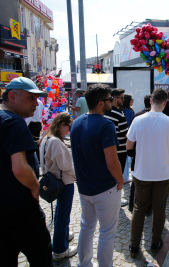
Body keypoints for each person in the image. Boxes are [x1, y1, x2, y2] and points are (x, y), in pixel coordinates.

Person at [0, 77, 53, 266]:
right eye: (31, 98)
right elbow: (19, 168)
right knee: (41, 255)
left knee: (6, 253)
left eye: (37, 98)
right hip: (17, 204)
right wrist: (35, 187)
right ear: (12, 96)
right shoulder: (12, 121)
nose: (36, 103)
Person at [70, 84, 124, 267]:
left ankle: (84, 264)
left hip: (85, 187)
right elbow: (112, 161)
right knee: (107, 232)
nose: (112, 102)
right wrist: (120, 179)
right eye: (110, 99)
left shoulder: (76, 122)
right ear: (101, 103)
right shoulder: (106, 124)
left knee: (86, 227)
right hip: (104, 188)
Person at [126, 88, 169, 258]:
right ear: (165, 103)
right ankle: (155, 243)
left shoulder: (138, 120)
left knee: (139, 208)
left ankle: (134, 246)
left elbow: (129, 146)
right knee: (159, 209)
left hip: (141, 172)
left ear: (151, 101)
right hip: (162, 173)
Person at [39, 112, 77, 261]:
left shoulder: (46, 137)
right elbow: (65, 165)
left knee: (62, 213)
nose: (68, 131)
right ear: (62, 124)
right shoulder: (55, 141)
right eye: (68, 127)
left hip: (54, 179)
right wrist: (77, 175)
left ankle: (62, 237)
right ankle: (60, 250)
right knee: (63, 214)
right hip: (63, 181)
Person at [104, 88, 129, 207]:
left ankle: (109, 198)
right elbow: (126, 134)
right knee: (118, 176)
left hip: (106, 149)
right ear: (115, 99)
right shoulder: (119, 114)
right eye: (122, 98)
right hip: (120, 150)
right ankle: (116, 200)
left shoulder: (103, 112)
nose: (123, 100)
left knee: (108, 175)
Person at [127, 94, 152, 213]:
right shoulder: (158, 117)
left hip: (138, 153)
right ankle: (148, 208)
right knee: (151, 182)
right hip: (152, 154)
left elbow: (130, 138)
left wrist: (131, 152)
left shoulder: (136, 115)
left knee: (136, 181)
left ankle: (133, 204)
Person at [122, 94, 135, 183]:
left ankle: (124, 176)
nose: (133, 101)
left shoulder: (121, 110)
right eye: (131, 99)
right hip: (128, 136)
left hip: (122, 136)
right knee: (127, 158)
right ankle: (125, 177)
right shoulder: (129, 112)